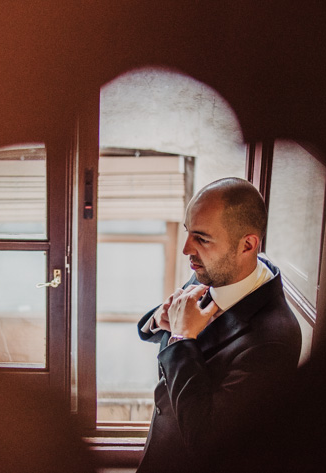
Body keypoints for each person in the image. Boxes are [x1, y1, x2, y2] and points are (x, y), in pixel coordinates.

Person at [136, 177, 301, 473]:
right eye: (188, 232)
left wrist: (181, 337)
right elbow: (173, 334)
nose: (186, 249)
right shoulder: (217, 270)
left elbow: (209, 441)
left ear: (247, 245)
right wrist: (160, 320)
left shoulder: (274, 340)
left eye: (201, 238)